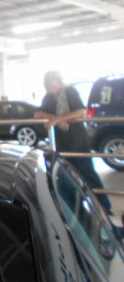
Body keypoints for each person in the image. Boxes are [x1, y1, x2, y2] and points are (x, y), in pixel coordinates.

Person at [35, 70, 111, 212]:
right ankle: (71, 210)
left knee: (88, 175)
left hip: (77, 143)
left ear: (58, 82)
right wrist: (56, 120)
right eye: (46, 85)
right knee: (64, 177)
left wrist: (58, 119)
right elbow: (38, 113)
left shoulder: (70, 92)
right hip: (61, 144)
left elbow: (81, 111)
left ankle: (104, 207)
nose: (48, 87)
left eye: (50, 85)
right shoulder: (49, 96)